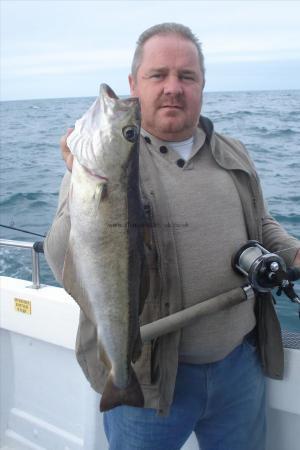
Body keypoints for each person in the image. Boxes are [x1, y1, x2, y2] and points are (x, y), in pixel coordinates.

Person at [45, 23, 300, 450]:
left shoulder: (232, 150)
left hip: (241, 366)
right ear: (134, 85)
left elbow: (261, 223)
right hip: (149, 377)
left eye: (187, 76)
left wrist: (292, 251)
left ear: (202, 84)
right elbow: (60, 258)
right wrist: (78, 183)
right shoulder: (102, 165)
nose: (173, 88)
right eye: (157, 75)